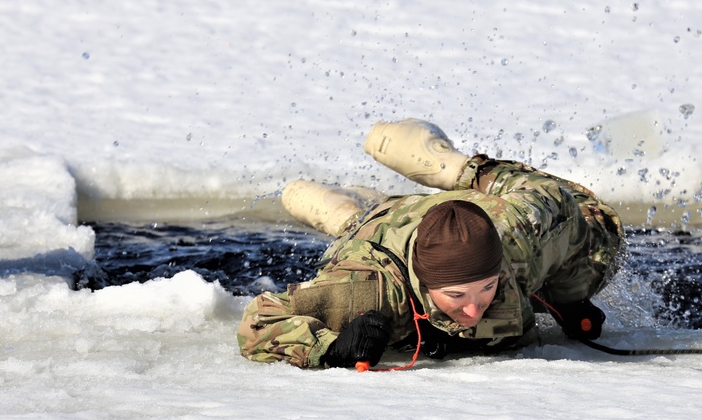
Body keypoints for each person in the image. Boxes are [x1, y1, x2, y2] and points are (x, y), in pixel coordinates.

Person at [237, 119, 625, 369]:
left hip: (475, 213)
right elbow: (258, 322)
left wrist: (567, 295)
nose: (474, 308)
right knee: (359, 226)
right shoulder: (370, 292)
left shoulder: (517, 237)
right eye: (456, 294)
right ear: (424, 283)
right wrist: (331, 347)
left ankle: (453, 168)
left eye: (488, 288)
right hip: (375, 236)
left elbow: (561, 202)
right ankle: (344, 213)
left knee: (599, 231)